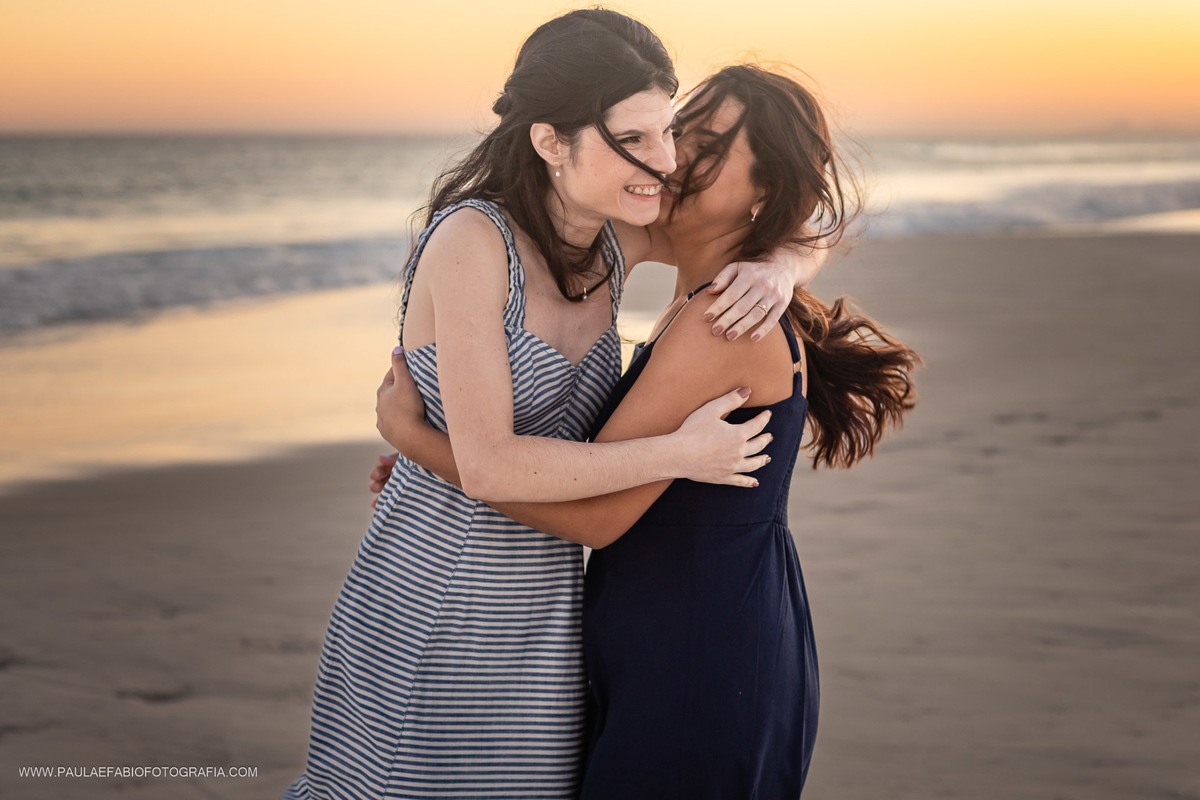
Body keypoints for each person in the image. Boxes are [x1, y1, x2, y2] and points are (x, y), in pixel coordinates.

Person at [284, 11, 822, 800]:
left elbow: (773, 216)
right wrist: (678, 453)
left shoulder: (613, 244)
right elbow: (490, 464)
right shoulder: (476, 241)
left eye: (670, 134)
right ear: (551, 142)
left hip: (550, 611)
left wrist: (781, 265)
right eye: (639, 138)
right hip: (442, 592)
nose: (666, 161)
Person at [374, 64, 921, 797]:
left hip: (698, 648)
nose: (672, 157)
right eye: (678, 132)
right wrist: (783, 262)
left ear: (764, 192)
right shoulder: (705, 286)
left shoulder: (720, 322)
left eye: (708, 148)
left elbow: (596, 517)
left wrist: (421, 445)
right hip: (679, 632)